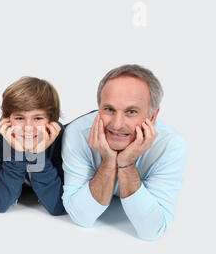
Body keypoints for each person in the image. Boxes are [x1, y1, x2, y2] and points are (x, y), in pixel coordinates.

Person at [61, 64, 187, 240]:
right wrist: (108, 161)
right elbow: (82, 217)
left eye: (131, 112)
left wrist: (127, 164)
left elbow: (152, 231)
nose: (117, 124)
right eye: (109, 109)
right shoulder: (77, 133)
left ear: (152, 116)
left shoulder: (171, 145)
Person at [0, 77, 65, 215]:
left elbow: (57, 206)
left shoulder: (61, 138)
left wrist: (38, 154)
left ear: (52, 121)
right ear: (7, 120)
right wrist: (17, 152)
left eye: (38, 118)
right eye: (19, 118)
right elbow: (0, 203)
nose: (28, 128)